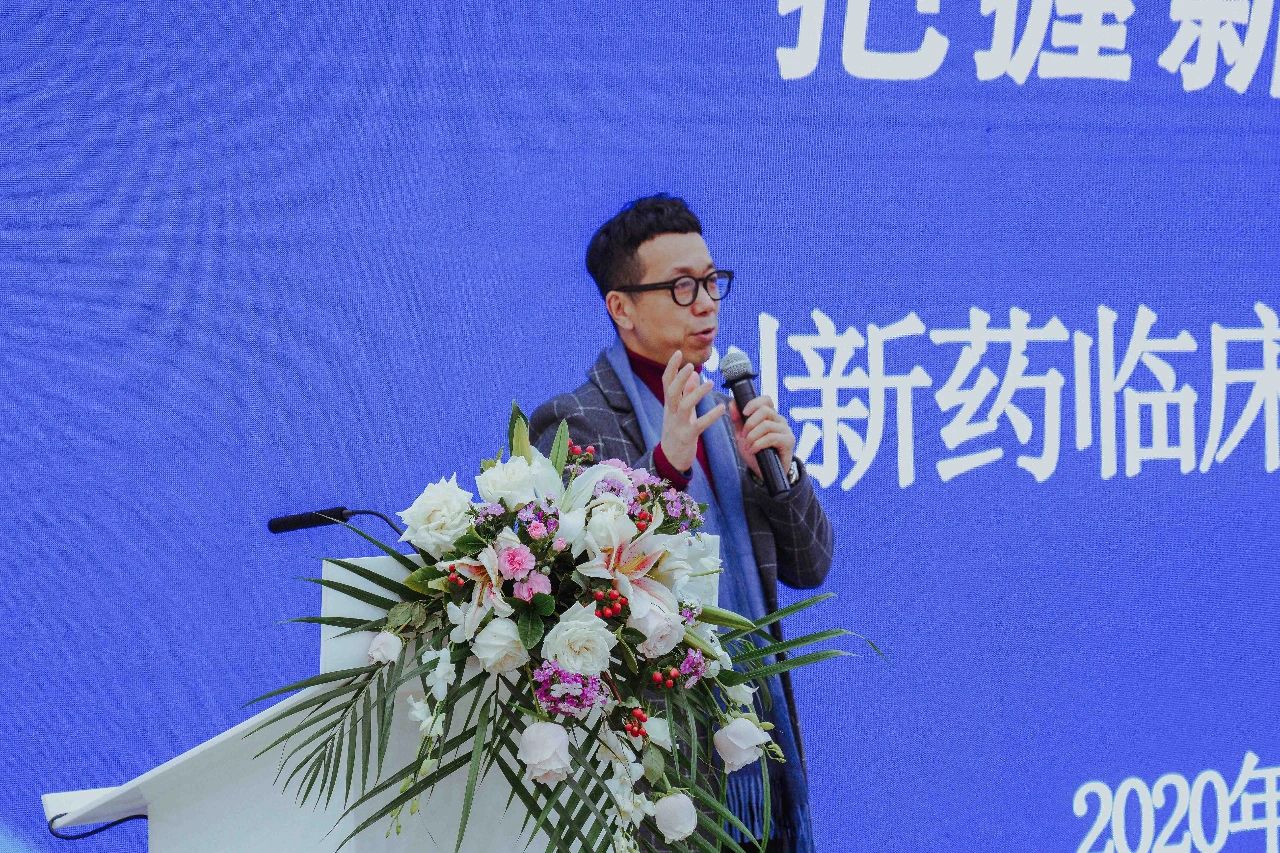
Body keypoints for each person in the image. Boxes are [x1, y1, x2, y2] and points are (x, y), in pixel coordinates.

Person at [530, 194, 833, 853]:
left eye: (712, 281)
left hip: (758, 749)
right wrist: (664, 465)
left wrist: (779, 474)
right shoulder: (575, 421)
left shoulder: (727, 416)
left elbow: (811, 565)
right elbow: (581, 596)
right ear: (622, 307)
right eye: (682, 286)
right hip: (655, 769)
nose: (706, 304)